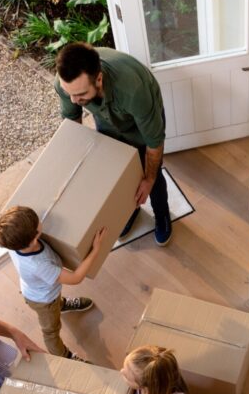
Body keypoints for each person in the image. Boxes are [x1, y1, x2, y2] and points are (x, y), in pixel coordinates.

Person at [54, 42, 173, 246]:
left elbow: (154, 142)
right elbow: (72, 125)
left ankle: (161, 214)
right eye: (70, 94)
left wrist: (148, 179)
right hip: (106, 118)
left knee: (150, 174)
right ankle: (130, 211)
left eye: (80, 94)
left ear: (99, 79)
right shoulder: (67, 85)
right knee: (117, 171)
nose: (73, 100)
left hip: (141, 120)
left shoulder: (134, 89)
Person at [0, 205, 104, 361]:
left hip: (42, 290)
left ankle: (61, 305)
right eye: (37, 221)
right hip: (44, 301)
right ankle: (64, 356)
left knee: (56, 302)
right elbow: (76, 278)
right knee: (51, 331)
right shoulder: (38, 265)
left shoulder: (13, 242)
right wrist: (95, 250)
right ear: (34, 238)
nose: (40, 220)